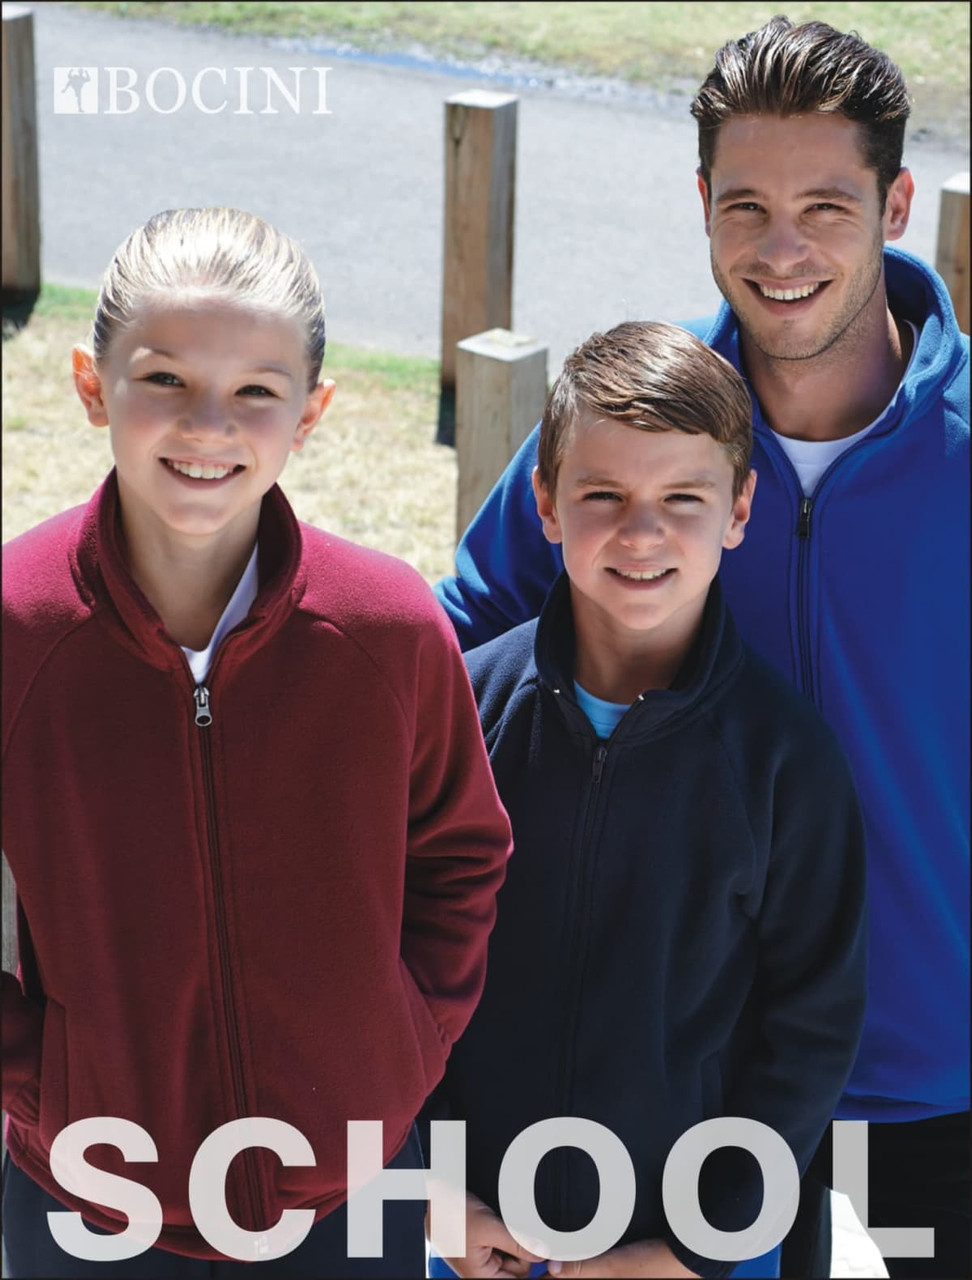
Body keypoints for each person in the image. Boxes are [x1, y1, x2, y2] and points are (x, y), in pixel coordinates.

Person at [434, 17, 970, 1280]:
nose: (782, 251)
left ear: (895, 203)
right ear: (702, 204)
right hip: (689, 1090)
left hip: (940, 1079)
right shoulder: (641, 436)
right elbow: (447, 681)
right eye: (746, 206)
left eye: (826, 205)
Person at [1, 206, 512, 1279]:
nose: (207, 426)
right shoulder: (15, 626)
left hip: (349, 1196)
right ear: (93, 385)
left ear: (311, 411)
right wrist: (35, 1077)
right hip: (86, 1199)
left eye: (255, 392)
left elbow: (462, 852)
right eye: (166, 380)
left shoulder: (390, 628)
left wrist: (399, 1051)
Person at [426, 320, 867, 1280]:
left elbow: (813, 1028)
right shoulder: (457, 715)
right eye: (603, 495)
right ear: (542, 501)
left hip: (683, 1249)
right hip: (469, 1238)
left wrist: (693, 1251)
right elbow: (380, 960)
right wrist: (423, 1185)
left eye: (683, 497)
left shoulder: (788, 760)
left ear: (740, 508)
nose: (642, 532)